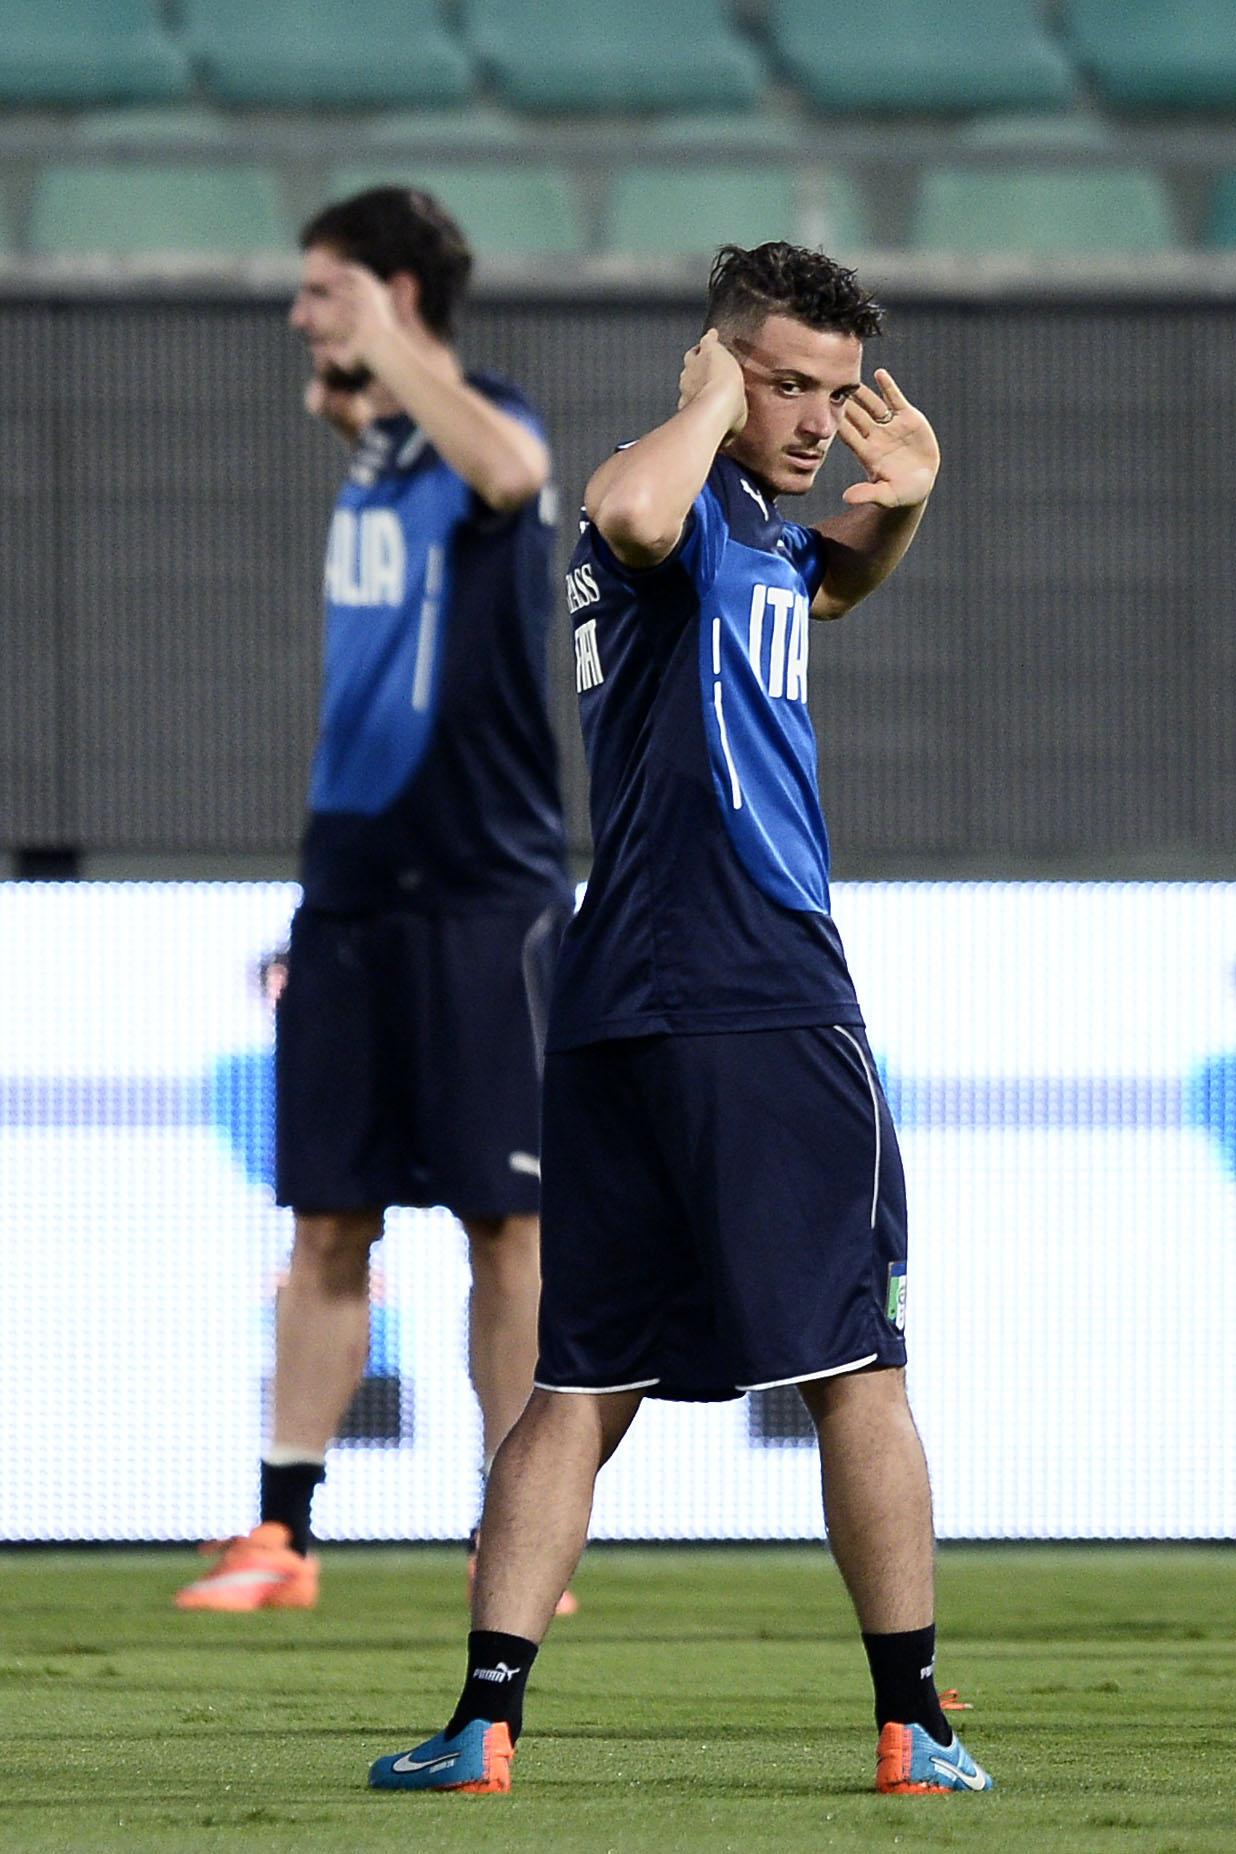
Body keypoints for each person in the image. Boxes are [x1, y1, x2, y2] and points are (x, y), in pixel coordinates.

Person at [368, 241, 994, 1797]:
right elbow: (634, 509)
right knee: (858, 1361)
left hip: (618, 1004)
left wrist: (895, 501)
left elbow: (822, 580)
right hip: (764, 990)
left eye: (833, 392)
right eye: (787, 380)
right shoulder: (659, 500)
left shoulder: (751, 538)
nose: (810, 417)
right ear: (712, 364)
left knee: (579, 1382)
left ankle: (483, 1720)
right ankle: (913, 1719)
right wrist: (716, 401)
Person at [176, 186, 575, 1613]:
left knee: (505, 1224)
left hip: (486, 886)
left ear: (398, 294)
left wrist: (392, 360)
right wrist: (363, 394)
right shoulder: (382, 444)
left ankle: (513, 1531)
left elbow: (521, 469)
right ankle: (283, 1531)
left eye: (324, 288)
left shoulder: (487, 425)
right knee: (329, 1219)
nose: (301, 314)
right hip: (346, 884)